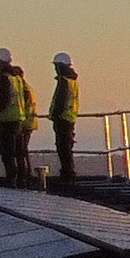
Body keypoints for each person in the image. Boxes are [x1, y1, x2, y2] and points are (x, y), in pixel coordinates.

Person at [0, 48, 38, 188]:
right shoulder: (16, 78)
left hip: (7, 121)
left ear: (1, 62)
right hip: (18, 120)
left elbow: (3, 99)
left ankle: (12, 180)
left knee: (8, 154)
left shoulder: (4, 78)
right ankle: (21, 180)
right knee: (19, 153)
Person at [47, 52, 81, 185]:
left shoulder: (64, 81)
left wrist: (55, 115)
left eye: (56, 66)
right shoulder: (72, 81)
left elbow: (60, 101)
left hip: (62, 119)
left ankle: (67, 176)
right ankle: (69, 174)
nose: (55, 68)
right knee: (67, 148)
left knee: (63, 149)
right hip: (69, 118)